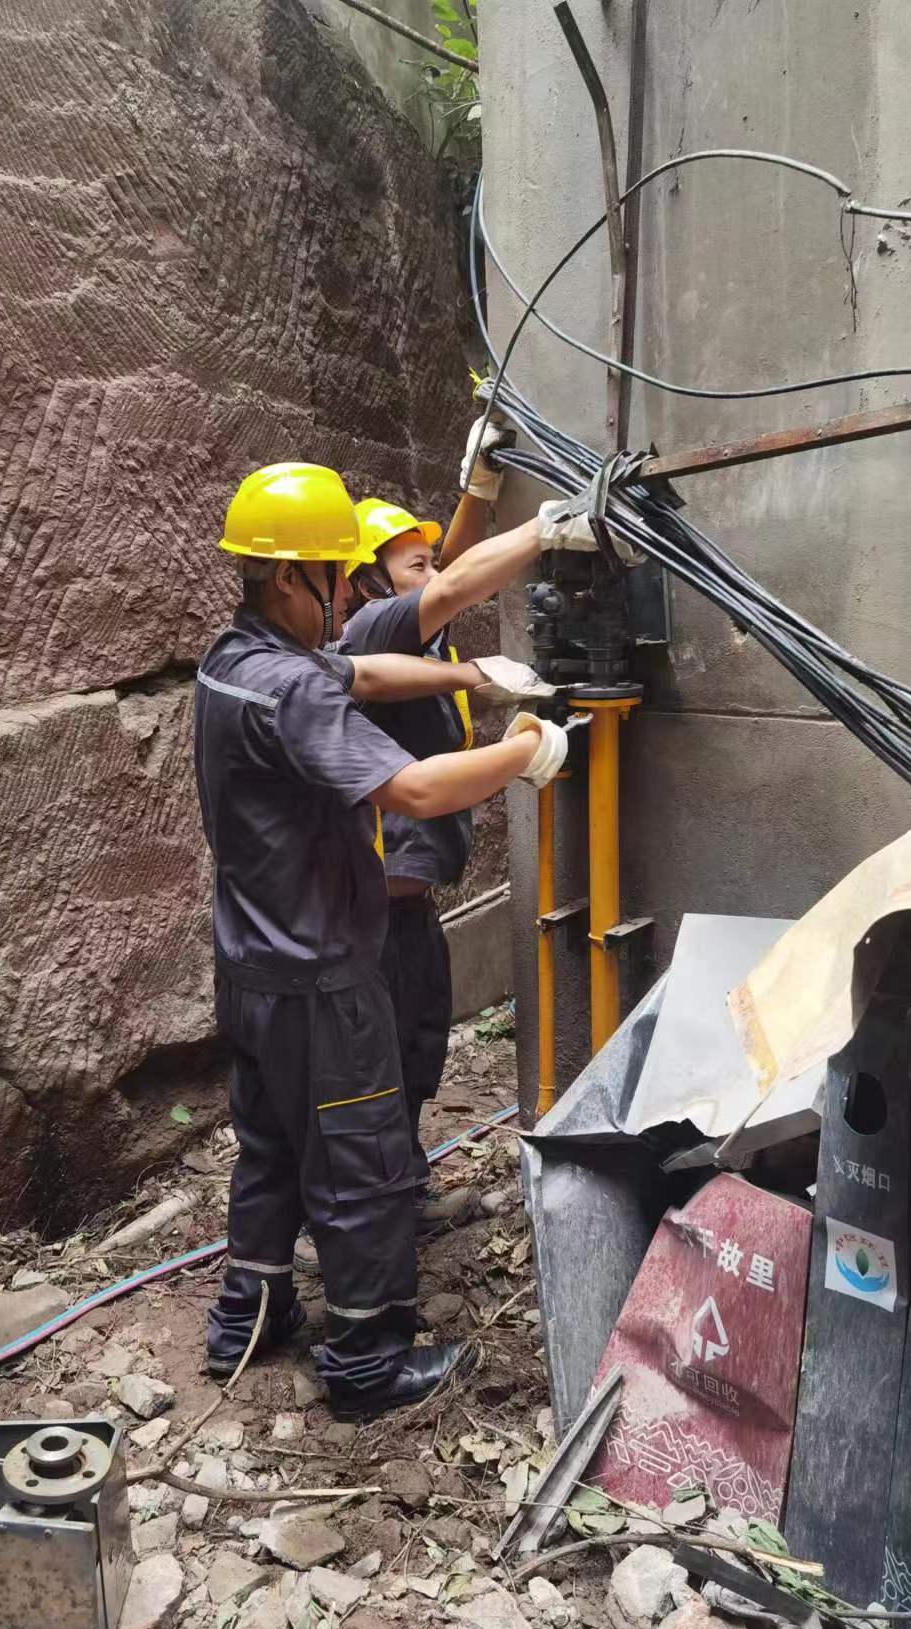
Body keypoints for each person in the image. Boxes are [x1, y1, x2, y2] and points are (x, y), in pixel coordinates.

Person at [194, 460, 582, 1420]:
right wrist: (523, 751)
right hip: (323, 972)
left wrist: (472, 678)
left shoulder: (235, 662)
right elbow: (412, 789)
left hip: (251, 965)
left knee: (270, 1145)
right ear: (294, 576)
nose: (344, 594)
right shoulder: (289, 689)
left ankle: (250, 1313)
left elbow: (363, 671)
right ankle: (366, 1362)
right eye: (335, 574)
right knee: (359, 1161)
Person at [296, 418, 540, 1255]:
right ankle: (354, 1216)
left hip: (407, 903)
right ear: (367, 581)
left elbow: (449, 575)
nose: (429, 572)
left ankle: (397, 1189)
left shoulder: (396, 625)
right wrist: (545, 527)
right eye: (410, 563)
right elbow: (454, 584)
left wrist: (477, 491)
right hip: (380, 907)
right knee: (381, 1058)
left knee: (414, 1045)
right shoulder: (370, 633)